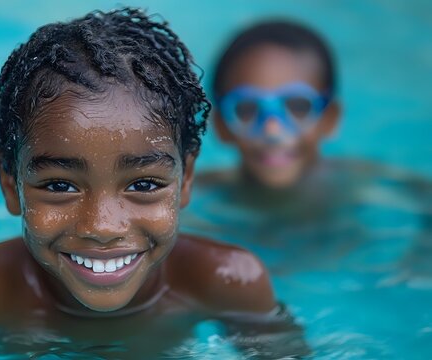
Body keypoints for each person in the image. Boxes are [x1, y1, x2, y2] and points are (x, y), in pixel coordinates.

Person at [0, 9, 307, 359]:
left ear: (185, 179)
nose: (102, 226)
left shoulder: (226, 283)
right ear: (9, 183)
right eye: (61, 186)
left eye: (143, 185)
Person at [184, 20, 432, 275]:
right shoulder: (192, 196)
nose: (273, 131)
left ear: (329, 118)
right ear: (222, 126)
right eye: (247, 109)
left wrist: (418, 263)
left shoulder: (357, 182)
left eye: (298, 107)